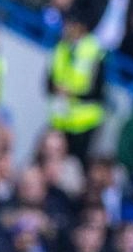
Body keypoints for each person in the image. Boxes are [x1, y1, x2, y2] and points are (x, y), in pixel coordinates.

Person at [45, 11, 108, 165]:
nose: (66, 28)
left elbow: (98, 91)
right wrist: (56, 88)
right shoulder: (61, 48)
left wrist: (72, 93)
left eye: (70, 24)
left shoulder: (94, 50)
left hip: (84, 122)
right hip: (60, 119)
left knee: (76, 164)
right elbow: (48, 83)